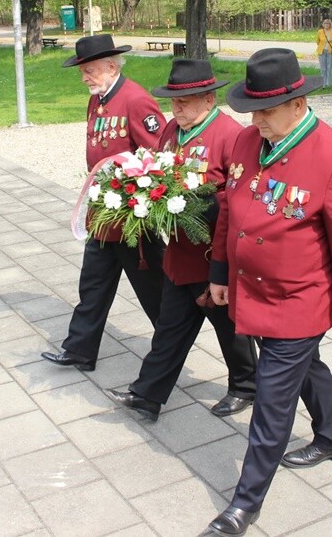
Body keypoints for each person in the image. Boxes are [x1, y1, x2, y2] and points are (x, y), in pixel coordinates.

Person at [202, 48, 332, 537]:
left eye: (266, 111)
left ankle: (244, 504)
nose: (255, 120)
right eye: (251, 109)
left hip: (300, 300)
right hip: (252, 290)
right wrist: (219, 272)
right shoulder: (245, 142)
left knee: (272, 399)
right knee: (304, 368)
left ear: (297, 105)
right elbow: (231, 213)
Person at [106, 59, 258, 422]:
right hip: (177, 253)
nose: (176, 108)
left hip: (212, 256)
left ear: (208, 99)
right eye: (173, 100)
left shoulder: (231, 135)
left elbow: (239, 196)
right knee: (170, 328)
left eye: (185, 101)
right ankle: (147, 395)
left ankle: (245, 386)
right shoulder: (172, 130)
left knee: (229, 328)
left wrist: (200, 205)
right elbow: (158, 172)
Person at [41, 34, 166, 371]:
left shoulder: (136, 100)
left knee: (154, 291)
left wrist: (135, 200)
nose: (84, 78)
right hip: (102, 212)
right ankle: (80, 349)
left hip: (130, 219)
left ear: (111, 67)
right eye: (83, 72)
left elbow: (158, 157)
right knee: (93, 284)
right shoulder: (97, 99)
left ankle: (172, 347)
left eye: (90, 71)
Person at [315, 18, 332, 88]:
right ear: (323, 24)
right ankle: (323, 84)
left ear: (330, 24)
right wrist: (322, 47)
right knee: (323, 68)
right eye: (325, 23)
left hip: (330, 51)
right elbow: (317, 41)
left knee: (329, 67)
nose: (326, 25)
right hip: (322, 51)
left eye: (328, 23)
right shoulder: (320, 32)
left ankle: (328, 84)